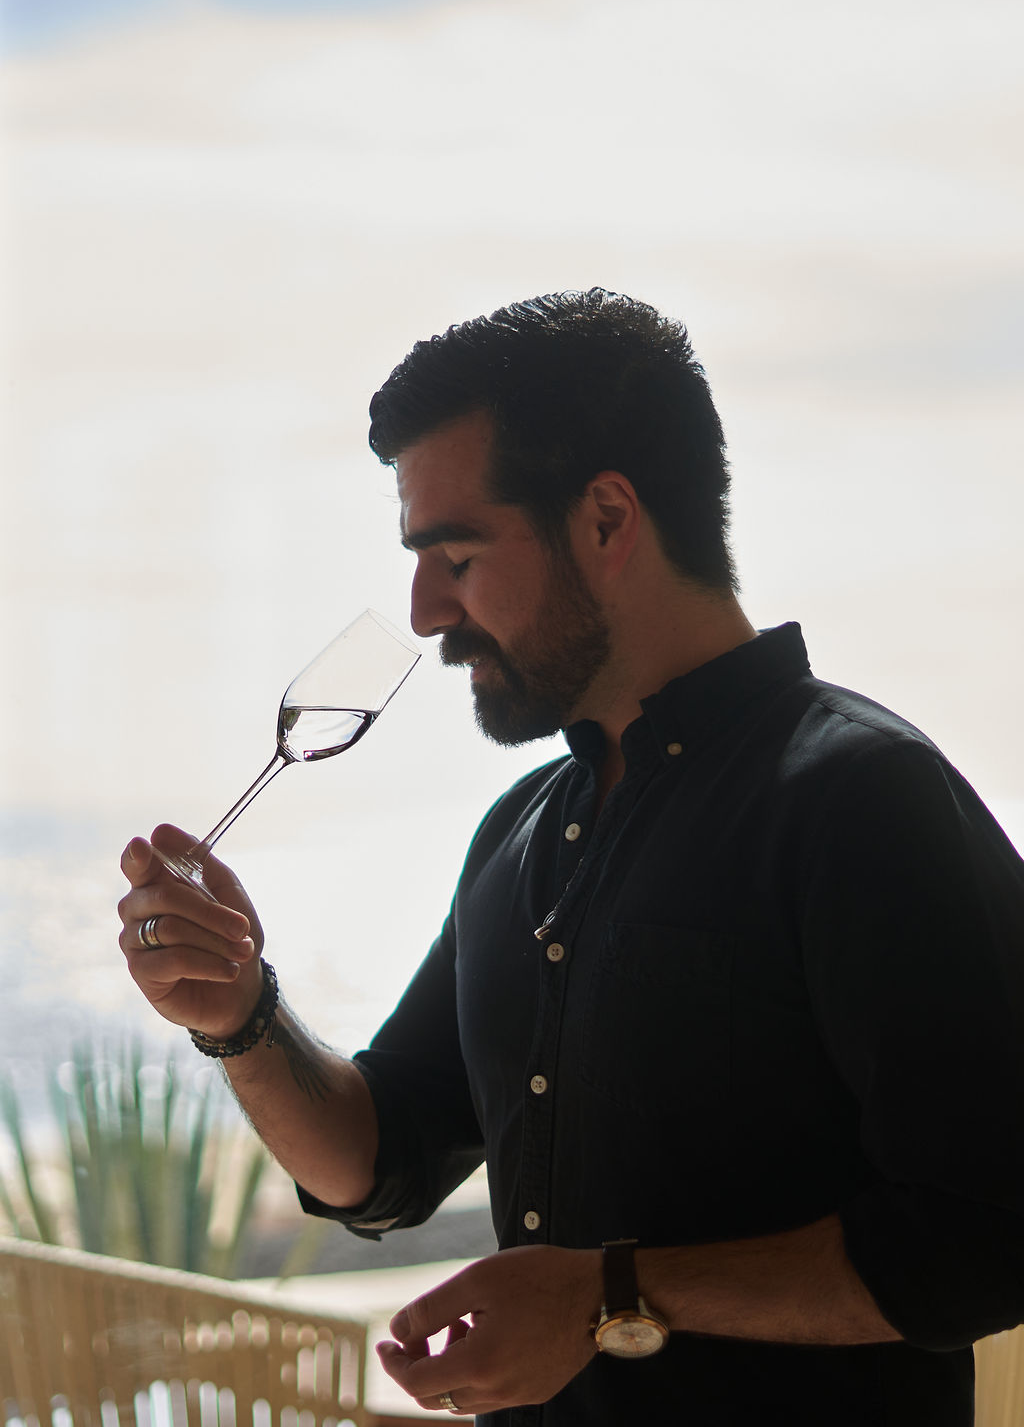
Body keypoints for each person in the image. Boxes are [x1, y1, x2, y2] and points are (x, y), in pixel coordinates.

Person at [119, 288, 1024, 1426]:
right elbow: (379, 1157)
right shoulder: (522, 831)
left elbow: (992, 1232)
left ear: (605, 519)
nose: (422, 612)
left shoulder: (864, 797)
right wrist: (239, 1012)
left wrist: (610, 1296)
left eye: (455, 554)